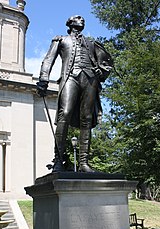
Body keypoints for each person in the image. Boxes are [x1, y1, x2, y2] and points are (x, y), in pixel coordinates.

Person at [37, 15, 112, 172]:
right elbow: (48, 60)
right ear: (70, 23)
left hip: (90, 79)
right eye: (78, 18)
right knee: (65, 113)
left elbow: (106, 64)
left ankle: (84, 163)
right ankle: (58, 160)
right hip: (70, 78)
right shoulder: (61, 40)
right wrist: (44, 79)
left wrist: (100, 70)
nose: (82, 20)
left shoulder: (91, 43)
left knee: (87, 118)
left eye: (83, 19)